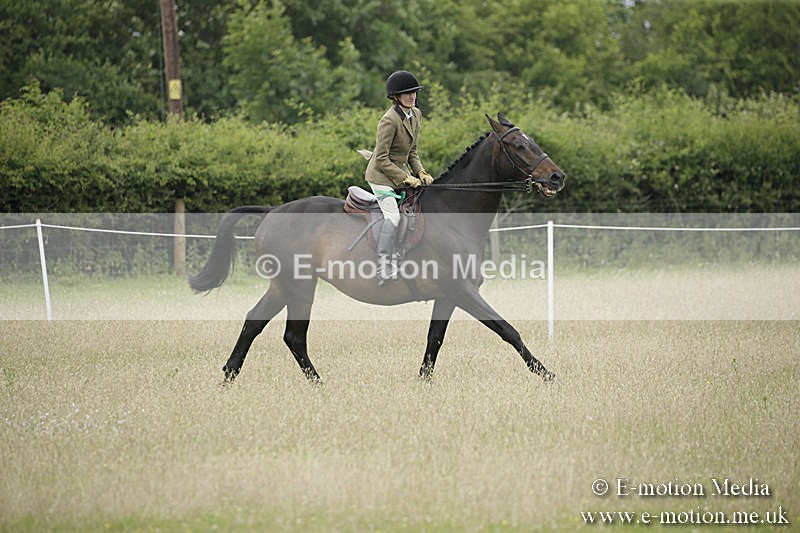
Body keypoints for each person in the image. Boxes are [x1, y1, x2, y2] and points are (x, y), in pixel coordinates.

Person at [364, 70, 434, 284]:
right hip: (381, 178)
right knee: (393, 216)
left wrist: (420, 171)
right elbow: (382, 159)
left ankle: (403, 256)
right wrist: (406, 177)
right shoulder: (389, 120)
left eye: (413, 92)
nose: (412, 96)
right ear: (395, 97)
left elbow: (412, 152)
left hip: (400, 175)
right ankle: (383, 266)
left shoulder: (416, 114)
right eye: (406, 94)